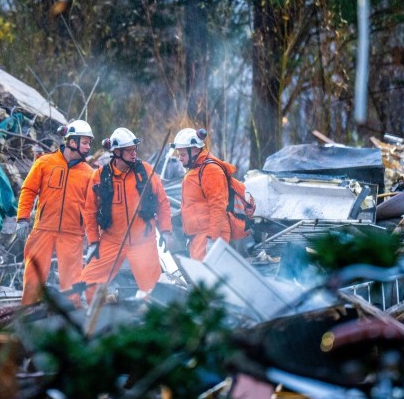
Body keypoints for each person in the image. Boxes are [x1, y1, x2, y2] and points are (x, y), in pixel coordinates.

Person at [80, 127, 173, 301]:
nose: (134, 154)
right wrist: (93, 241)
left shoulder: (145, 171)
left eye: (134, 149)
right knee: (88, 282)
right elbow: (90, 211)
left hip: (143, 241)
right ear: (116, 152)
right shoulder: (100, 176)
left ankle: (151, 322)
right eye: (129, 150)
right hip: (112, 241)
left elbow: (163, 203)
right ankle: (92, 320)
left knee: (153, 291)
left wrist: (166, 231)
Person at [15, 120, 95, 306]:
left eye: (89, 143)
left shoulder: (89, 174)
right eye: (85, 142)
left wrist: (93, 240)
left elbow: (93, 209)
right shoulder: (45, 163)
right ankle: (28, 315)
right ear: (72, 142)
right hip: (42, 229)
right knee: (33, 278)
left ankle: (70, 321)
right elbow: (28, 190)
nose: (88, 146)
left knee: (72, 284)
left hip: (72, 233)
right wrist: (22, 219)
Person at [172, 127, 237, 260]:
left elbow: (218, 206)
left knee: (206, 279)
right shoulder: (196, 170)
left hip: (209, 235)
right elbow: (196, 203)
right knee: (200, 278)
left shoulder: (210, 171)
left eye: (183, 155)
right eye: (179, 155)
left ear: (195, 150)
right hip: (199, 236)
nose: (179, 159)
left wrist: (212, 239)